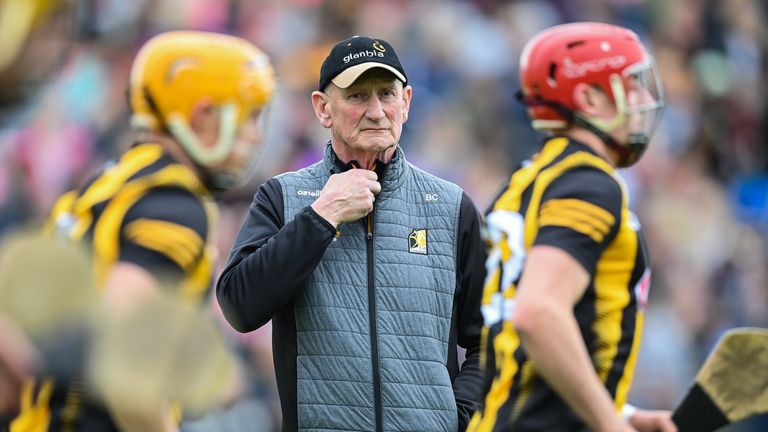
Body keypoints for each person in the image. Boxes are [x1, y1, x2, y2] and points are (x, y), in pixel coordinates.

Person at [8, 30, 276, 431]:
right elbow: (127, 364)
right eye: (250, 116)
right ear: (203, 116)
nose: (256, 134)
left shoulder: (112, 180)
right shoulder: (173, 202)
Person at [216, 35, 486, 432]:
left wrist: (457, 419)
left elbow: (490, 340)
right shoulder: (282, 197)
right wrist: (322, 216)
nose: (376, 111)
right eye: (358, 96)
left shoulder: (450, 205)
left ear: (406, 102)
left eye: (387, 94)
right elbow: (239, 307)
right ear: (323, 108)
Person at [466, 22, 675, 432]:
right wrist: (608, 424)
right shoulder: (589, 182)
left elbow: (517, 344)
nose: (645, 98)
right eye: (632, 85)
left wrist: (624, 414)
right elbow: (537, 313)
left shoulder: (526, 182)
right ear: (589, 98)